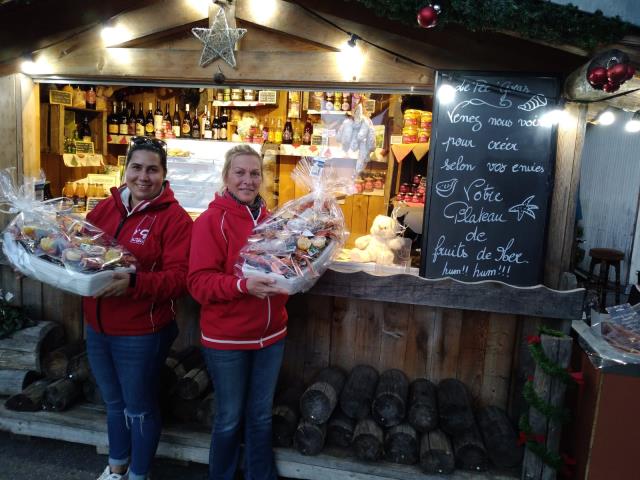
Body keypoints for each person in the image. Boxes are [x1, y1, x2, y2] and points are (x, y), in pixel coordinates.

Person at [83, 136, 193, 480]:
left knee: (139, 409)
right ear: (125, 169)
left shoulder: (175, 219)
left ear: (163, 174)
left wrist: (134, 283)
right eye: (136, 167)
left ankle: (138, 473)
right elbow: (80, 250)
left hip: (142, 332)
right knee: (114, 404)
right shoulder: (104, 208)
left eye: (152, 169)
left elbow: (179, 279)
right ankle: (117, 466)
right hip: (97, 327)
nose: (143, 176)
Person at [188, 144, 289, 480]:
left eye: (254, 173)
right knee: (229, 417)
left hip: (271, 336)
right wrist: (242, 286)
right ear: (226, 177)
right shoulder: (210, 222)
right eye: (240, 172)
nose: (248, 180)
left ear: (263, 178)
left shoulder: (273, 221)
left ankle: (261, 475)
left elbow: (286, 267)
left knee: (260, 415)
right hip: (226, 339)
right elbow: (199, 284)